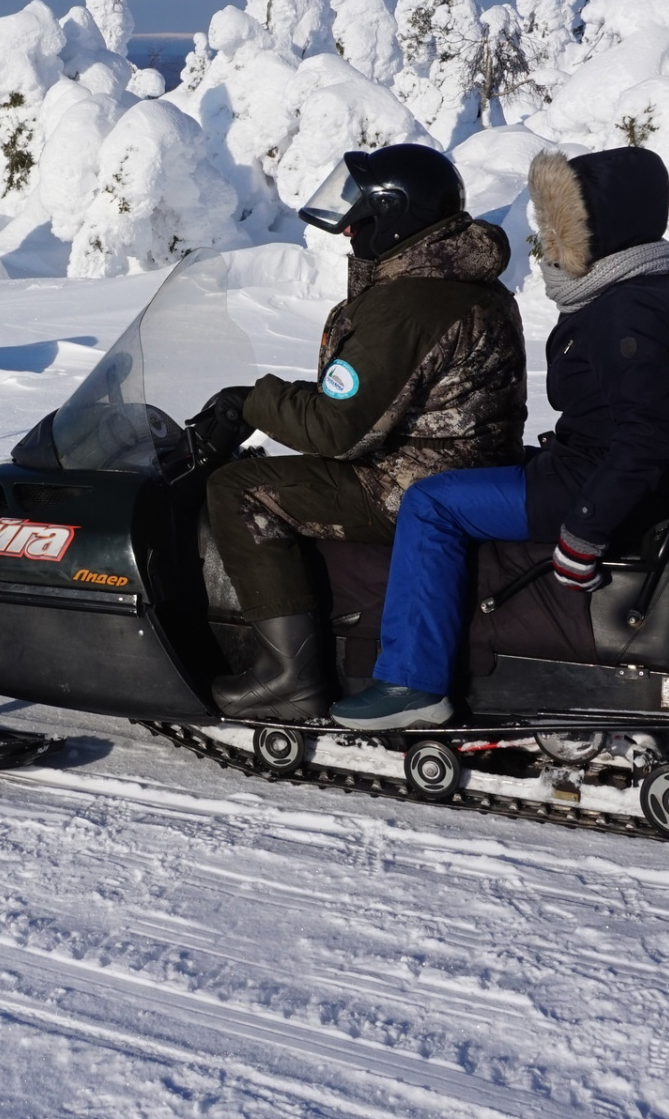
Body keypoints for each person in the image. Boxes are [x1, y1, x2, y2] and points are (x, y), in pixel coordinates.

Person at [333, 144, 669, 729]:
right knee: (458, 483)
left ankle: (411, 683)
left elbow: (645, 440)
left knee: (428, 503)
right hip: (579, 470)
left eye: (564, 226)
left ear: (602, 227)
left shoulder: (624, 312)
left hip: (586, 486)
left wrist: (584, 531)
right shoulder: (627, 293)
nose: (550, 243)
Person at [194, 143, 525, 722]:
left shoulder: (411, 302)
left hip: (414, 484)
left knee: (239, 487)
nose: (349, 233)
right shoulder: (456, 280)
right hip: (459, 469)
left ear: (395, 217)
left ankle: (288, 678)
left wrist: (254, 402)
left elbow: (337, 428)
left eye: (361, 219)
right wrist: (271, 403)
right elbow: (377, 395)